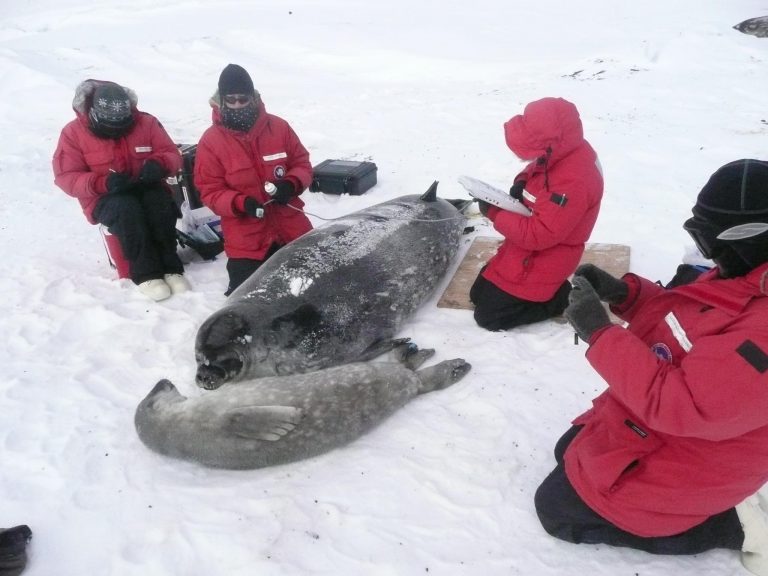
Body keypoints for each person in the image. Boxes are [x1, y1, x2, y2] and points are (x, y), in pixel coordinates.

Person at [536, 159, 768, 575]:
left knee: (554, 509)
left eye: (708, 237)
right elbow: (691, 326)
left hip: (694, 454)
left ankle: (716, 528)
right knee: (567, 451)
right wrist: (627, 295)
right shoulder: (752, 272)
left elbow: (684, 406)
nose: (706, 250)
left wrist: (600, 334)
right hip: (673, 436)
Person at [470, 97, 603, 331]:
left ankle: (558, 299)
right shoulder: (566, 147)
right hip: (524, 250)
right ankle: (541, 293)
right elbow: (539, 165)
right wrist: (522, 181)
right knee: (477, 294)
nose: (530, 155)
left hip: (545, 257)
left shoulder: (573, 181)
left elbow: (540, 235)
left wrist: (494, 212)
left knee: (487, 317)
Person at [52, 79, 189, 301]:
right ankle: (146, 273)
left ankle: (170, 266)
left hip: (146, 185)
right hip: (104, 196)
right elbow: (66, 177)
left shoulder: (146, 123)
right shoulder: (73, 133)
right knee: (126, 209)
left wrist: (160, 164)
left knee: (159, 203)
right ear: (96, 114)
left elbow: (171, 153)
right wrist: (101, 182)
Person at [194, 64, 313, 295]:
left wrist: (291, 183)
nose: (238, 104)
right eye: (231, 100)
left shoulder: (279, 127)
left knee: (316, 284)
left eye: (243, 99)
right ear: (222, 100)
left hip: (292, 227)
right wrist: (240, 203)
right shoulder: (210, 141)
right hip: (247, 239)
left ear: (253, 98)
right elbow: (210, 190)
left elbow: (302, 163)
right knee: (248, 296)